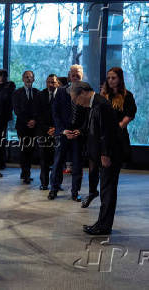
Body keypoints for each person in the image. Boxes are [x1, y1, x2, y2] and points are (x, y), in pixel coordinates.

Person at [69, 81, 120, 235]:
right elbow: (94, 127)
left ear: (83, 92)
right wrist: (79, 132)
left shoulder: (101, 105)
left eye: (76, 100)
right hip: (104, 155)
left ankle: (104, 227)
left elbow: (107, 132)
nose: (77, 103)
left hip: (109, 155)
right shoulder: (95, 103)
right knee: (105, 191)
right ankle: (102, 223)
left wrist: (105, 154)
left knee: (107, 191)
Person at [82, 67, 137, 208]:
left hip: (116, 137)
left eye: (114, 78)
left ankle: (106, 204)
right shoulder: (103, 95)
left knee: (110, 174)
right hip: (100, 137)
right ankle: (92, 192)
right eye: (109, 78)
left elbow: (129, 115)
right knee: (93, 167)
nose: (111, 80)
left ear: (120, 79)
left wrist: (118, 125)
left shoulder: (127, 96)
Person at [49, 64, 86, 201]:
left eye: (78, 74)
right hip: (63, 133)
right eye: (73, 74)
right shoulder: (60, 91)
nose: (75, 76)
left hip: (78, 134)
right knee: (58, 163)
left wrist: (80, 130)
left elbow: (89, 115)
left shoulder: (88, 92)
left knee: (77, 165)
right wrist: (63, 130)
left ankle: (75, 192)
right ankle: (53, 189)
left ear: (82, 75)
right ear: (69, 75)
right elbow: (55, 113)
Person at [12, 70, 41, 184]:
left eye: (30, 77)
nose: (28, 79)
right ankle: (26, 174)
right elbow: (16, 110)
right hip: (22, 126)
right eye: (26, 77)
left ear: (33, 79)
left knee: (31, 150)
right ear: (23, 79)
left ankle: (25, 173)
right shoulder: (17, 93)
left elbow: (39, 109)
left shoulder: (37, 92)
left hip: (34, 127)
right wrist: (27, 121)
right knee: (24, 150)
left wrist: (34, 121)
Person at [37, 74, 60, 190]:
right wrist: (47, 129)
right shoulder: (40, 95)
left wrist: (56, 128)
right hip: (43, 131)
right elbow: (38, 115)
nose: (51, 84)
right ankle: (44, 183)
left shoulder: (63, 95)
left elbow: (64, 114)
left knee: (58, 159)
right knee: (44, 159)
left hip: (58, 131)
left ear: (58, 83)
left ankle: (56, 184)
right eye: (49, 82)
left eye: (53, 82)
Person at [0, 69, 15, 170]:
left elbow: (5, 98)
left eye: (1, 76)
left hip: (3, 117)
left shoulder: (9, 86)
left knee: (1, 140)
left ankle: (1, 162)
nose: (0, 78)